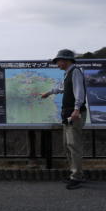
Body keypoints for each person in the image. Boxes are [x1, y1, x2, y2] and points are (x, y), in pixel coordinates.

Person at [40, 49, 87, 190]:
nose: (57, 64)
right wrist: (49, 93)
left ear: (66, 60)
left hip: (74, 114)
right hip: (68, 114)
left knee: (74, 145)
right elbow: (62, 88)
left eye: (58, 61)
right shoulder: (68, 73)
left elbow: (79, 91)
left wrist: (77, 109)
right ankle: (74, 173)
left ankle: (77, 176)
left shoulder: (75, 72)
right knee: (68, 145)